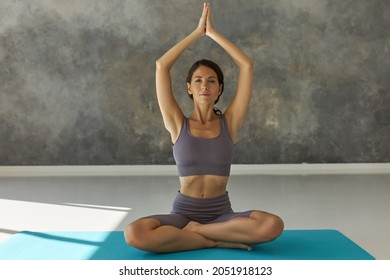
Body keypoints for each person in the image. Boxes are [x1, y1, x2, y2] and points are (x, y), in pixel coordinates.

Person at [124, 3, 284, 253]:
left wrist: (213, 33)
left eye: (211, 81)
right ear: (189, 87)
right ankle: (216, 240)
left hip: (221, 214)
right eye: (197, 80)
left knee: (272, 225)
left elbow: (247, 65)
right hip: (182, 214)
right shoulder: (177, 123)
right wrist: (198, 32)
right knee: (134, 233)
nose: (204, 85)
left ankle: (196, 233)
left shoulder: (229, 122)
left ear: (219, 89)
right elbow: (161, 66)